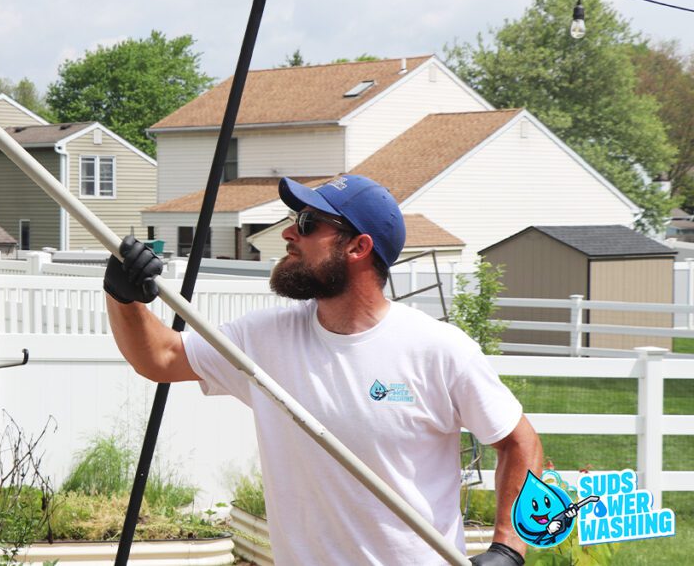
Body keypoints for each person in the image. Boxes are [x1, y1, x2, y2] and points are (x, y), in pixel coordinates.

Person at [104, 174, 542, 565]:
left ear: (358, 246)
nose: (290, 233)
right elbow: (159, 358)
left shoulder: (438, 350)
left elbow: (520, 442)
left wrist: (507, 549)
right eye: (296, 218)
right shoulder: (264, 339)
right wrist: (124, 295)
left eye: (310, 223)